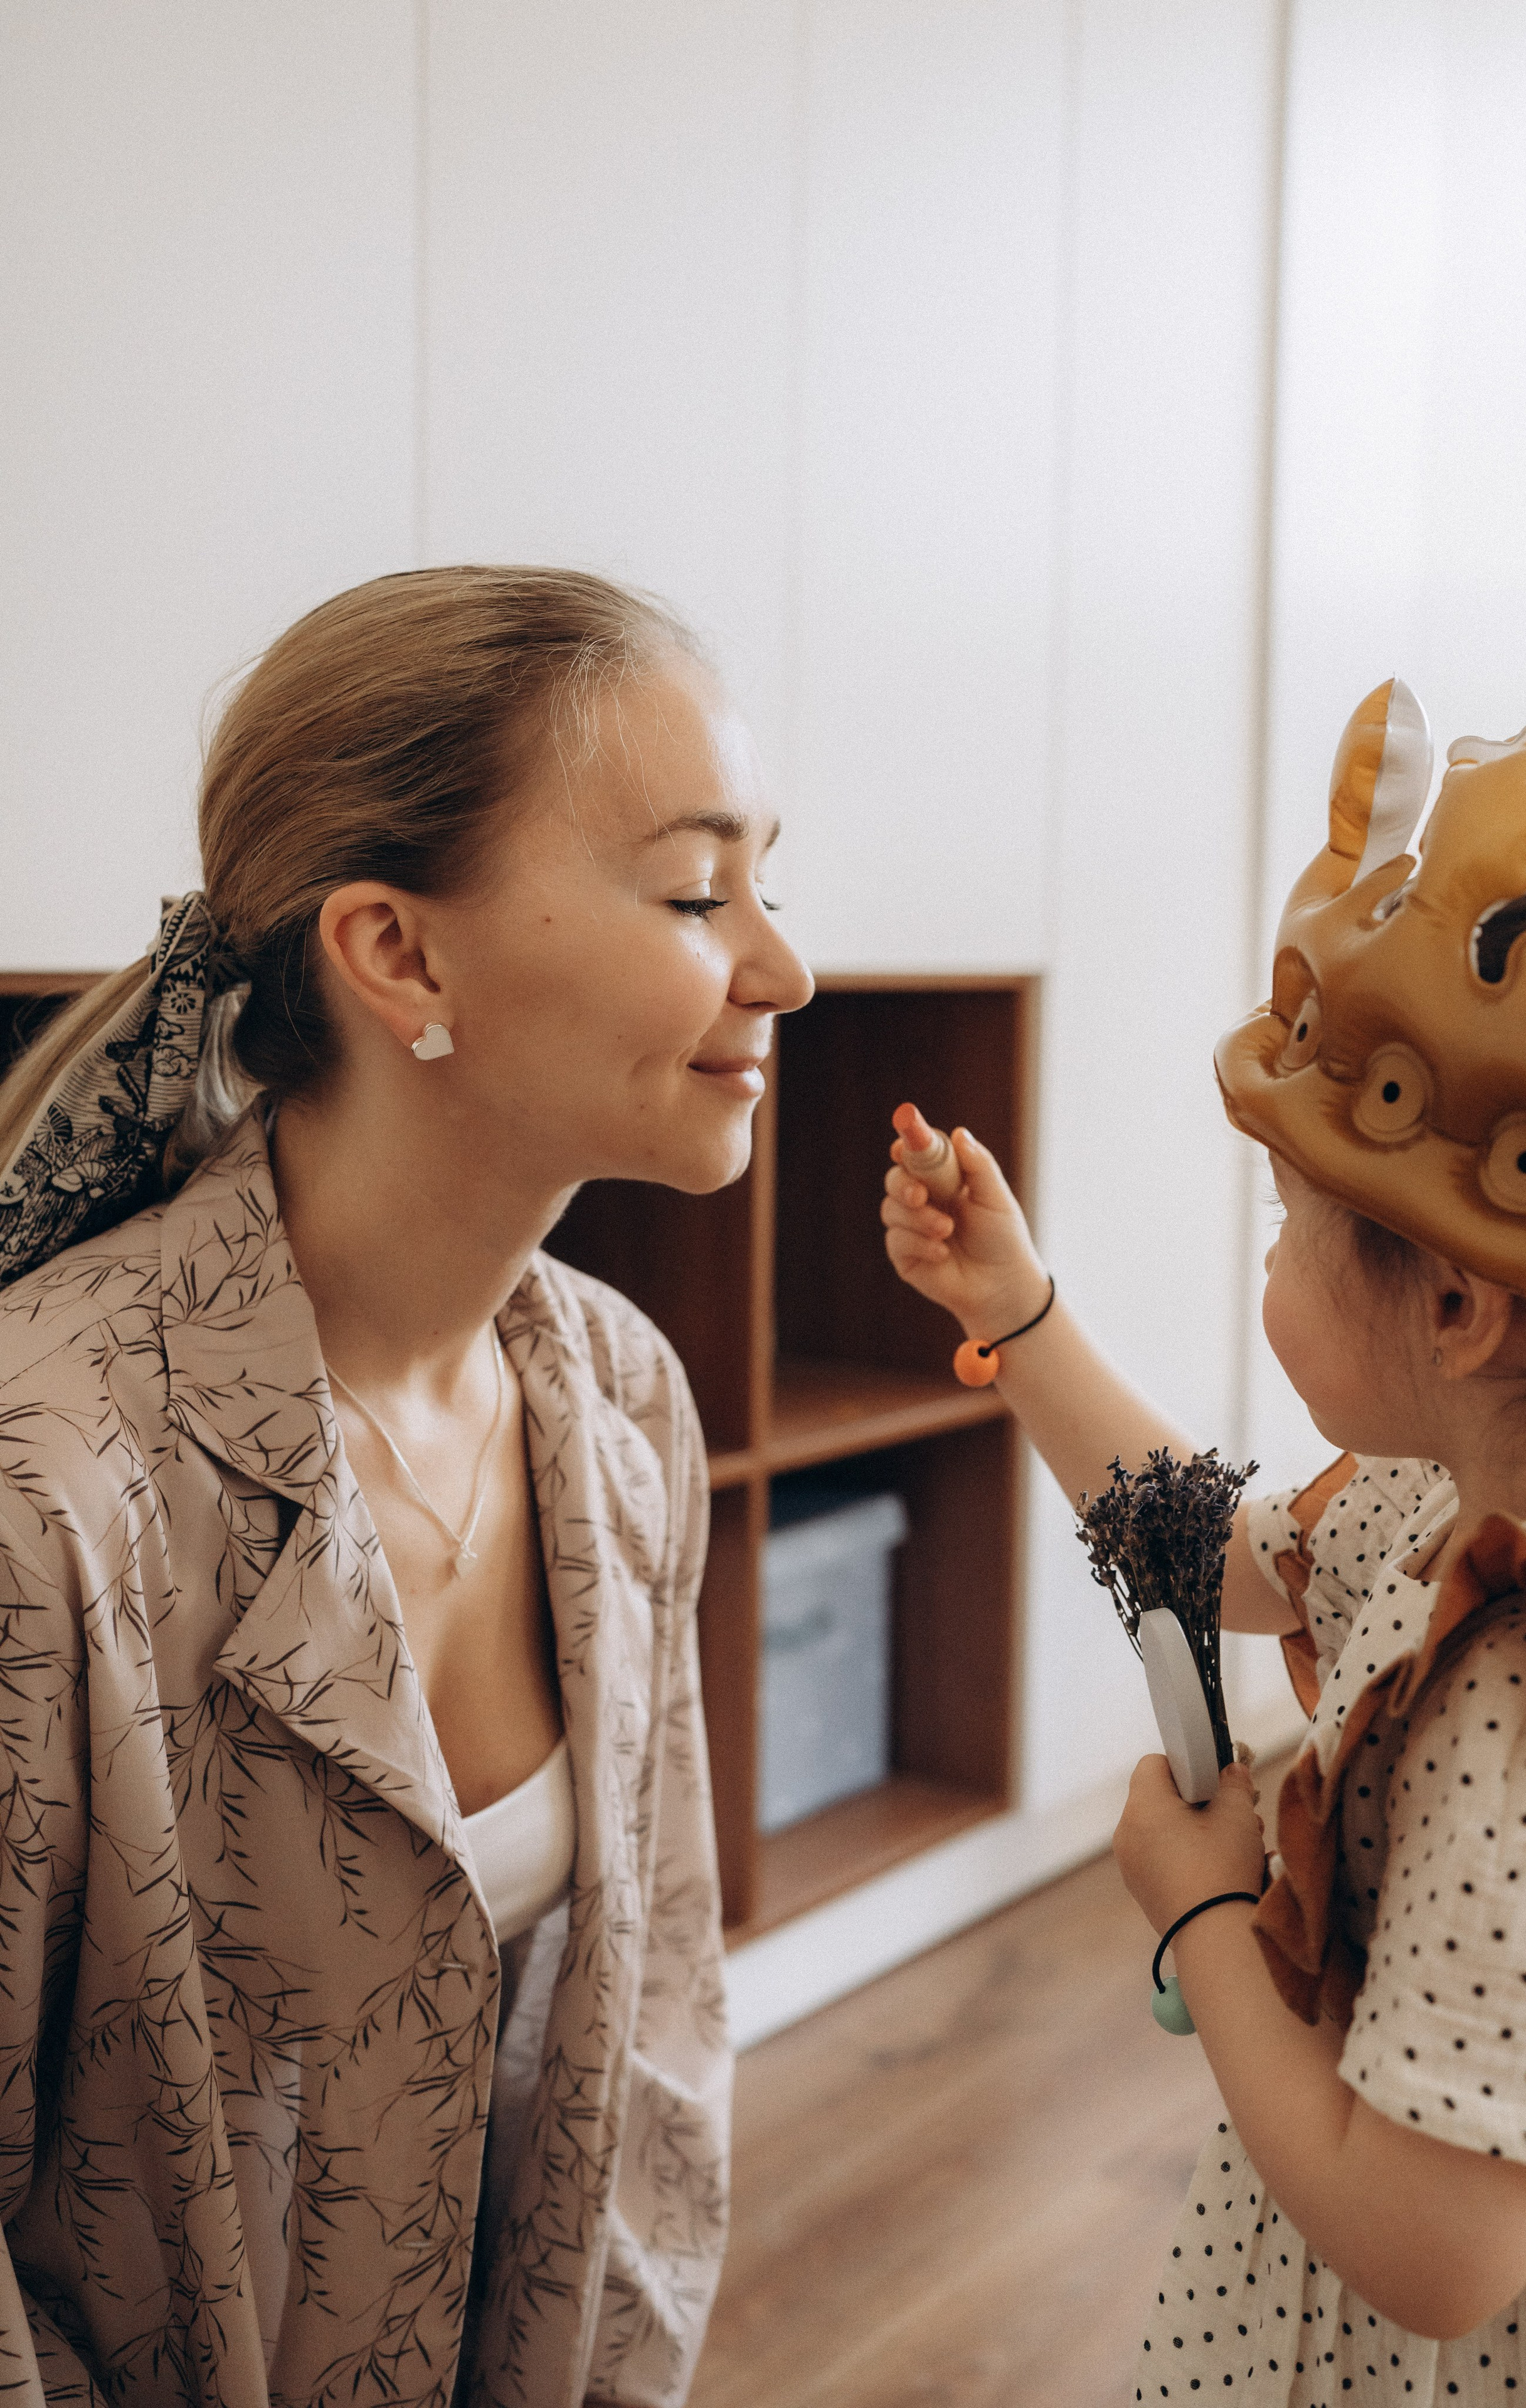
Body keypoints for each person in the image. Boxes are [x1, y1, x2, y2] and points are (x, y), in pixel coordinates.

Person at [0, 565, 813, 2407]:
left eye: (768, 882)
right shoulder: (48, 1492)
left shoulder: (618, 1400)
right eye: (697, 893)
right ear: (399, 953)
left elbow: (653, 2044)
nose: (784, 966)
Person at [881, 679, 1526, 2401]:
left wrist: (1201, 1911)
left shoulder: (1521, 1701)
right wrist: (1024, 1314)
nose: (1269, 1267)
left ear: (1456, 1299)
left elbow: (1441, 2256)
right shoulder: (1480, 1509)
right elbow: (1229, 1559)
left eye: (1290, 1227)